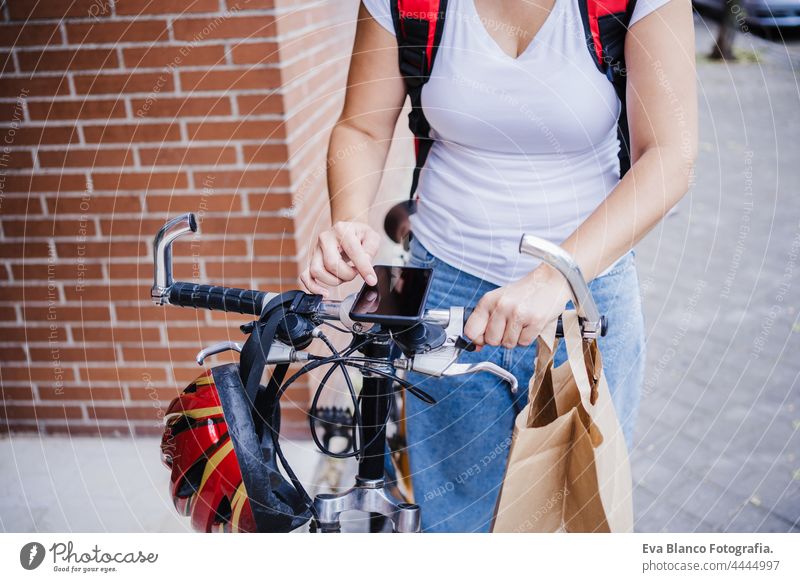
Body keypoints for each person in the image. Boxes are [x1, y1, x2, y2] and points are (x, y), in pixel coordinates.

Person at [300, 0, 697, 532]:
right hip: (447, 295)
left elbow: (670, 156)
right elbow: (362, 129)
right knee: (458, 522)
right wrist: (348, 220)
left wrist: (555, 276)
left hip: (585, 300)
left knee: (578, 522)